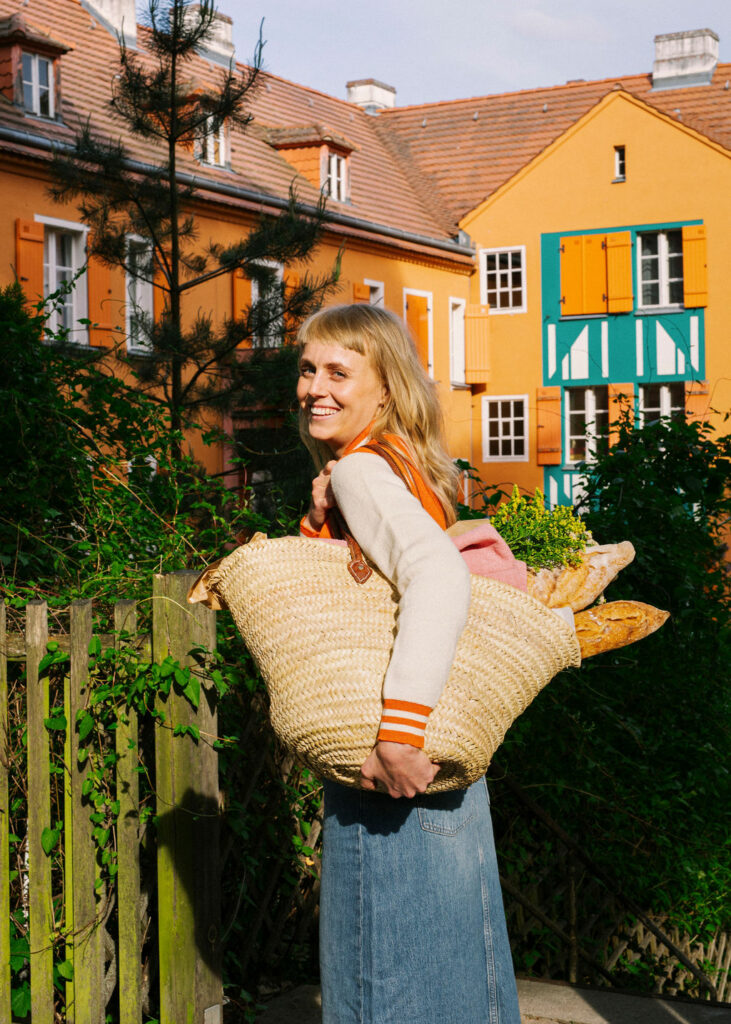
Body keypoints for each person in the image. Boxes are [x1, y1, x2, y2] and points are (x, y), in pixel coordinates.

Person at [296, 303, 522, 1024]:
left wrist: (397, 730)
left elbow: (436, 575)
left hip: (390, 762)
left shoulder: (361, 471)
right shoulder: (407, 465)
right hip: (445, 753)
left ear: (386, 388)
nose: (314, 387)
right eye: (307, 369)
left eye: (339, 371)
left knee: (381, 989)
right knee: (457, 981)